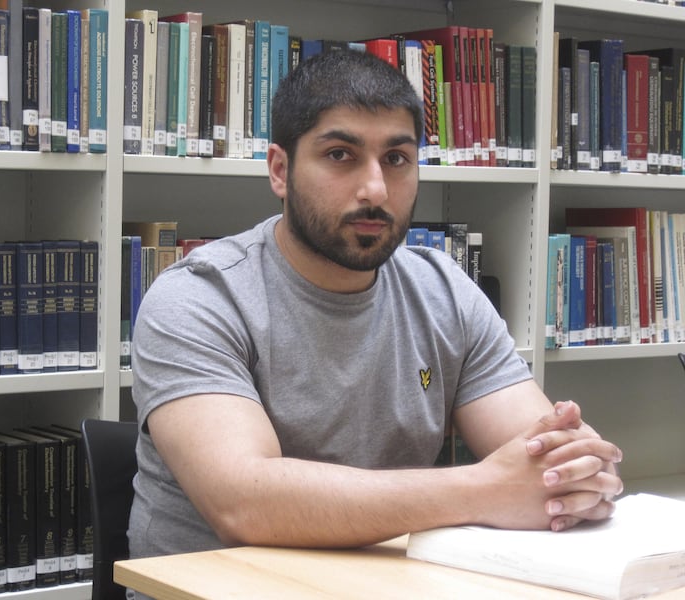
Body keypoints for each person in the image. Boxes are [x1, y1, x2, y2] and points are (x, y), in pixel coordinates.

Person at [128, 49, 623, 569]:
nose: (375, 189)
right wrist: (484, 488)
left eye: (397, 159)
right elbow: (245, 502)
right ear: (280, 170)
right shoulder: (200, 297)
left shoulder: (443, 291)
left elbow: (541, 458)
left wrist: (576, 472)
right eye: (341, 155)